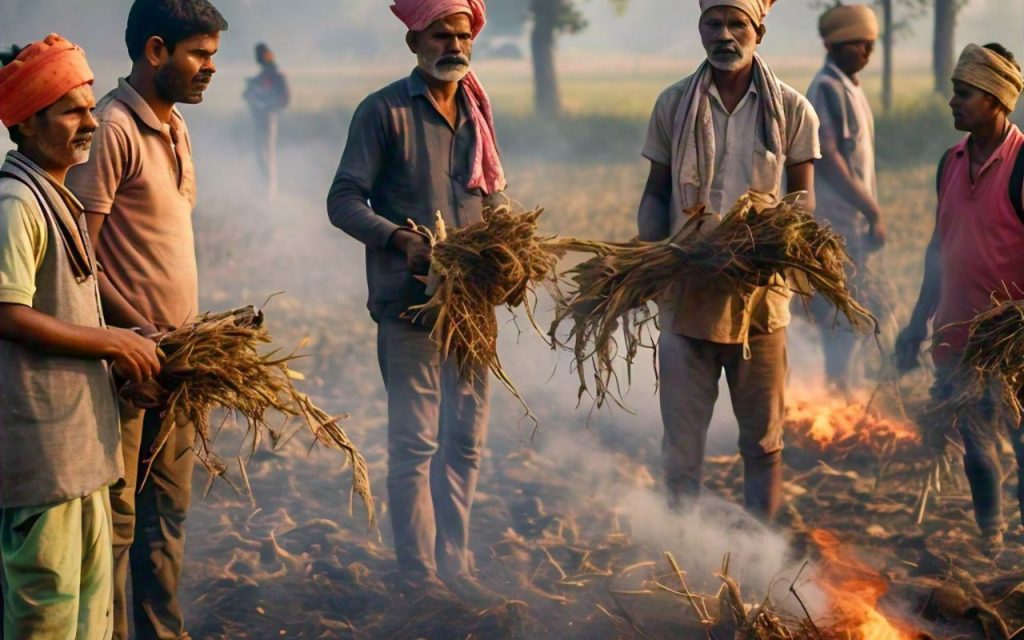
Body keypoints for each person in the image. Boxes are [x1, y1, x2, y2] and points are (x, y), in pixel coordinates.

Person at [327, 0, 506, 608]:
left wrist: (508, 248)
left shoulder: (477, 110)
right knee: (415, 446)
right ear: (414, 42)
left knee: (466, 443)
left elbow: (493, 198)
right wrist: (399, 239)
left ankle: (456, 562)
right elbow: (344, 200)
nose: (455, 45)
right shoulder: (382, 112)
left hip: (473, 310)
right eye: (441, 34)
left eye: (463, 35)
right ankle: (418, 575)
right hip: (410, 309)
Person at [65, 1, 228, 637]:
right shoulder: (112, 128)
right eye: (200, 54)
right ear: (155, 50)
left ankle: (162, 631)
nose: (210, 68)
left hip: (178, 359)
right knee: (119, 517)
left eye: (213, 55)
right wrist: (134, 335)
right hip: (127, 363)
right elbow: (82, 261)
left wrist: (179, 339)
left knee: (169, 511)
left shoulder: (176, 125)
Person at [0, 33, 160, 639]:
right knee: (48, 614)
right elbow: (7, 313)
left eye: (91, 106)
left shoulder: (55, 194)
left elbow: (65, 314)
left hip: (78, 451)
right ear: (27, 122)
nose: (90, 121)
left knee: (89, 616)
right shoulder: (17, 202)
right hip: (42, 461)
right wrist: (116, 343)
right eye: (71, 110)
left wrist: (123, 354)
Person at [637, 0, 820, 521]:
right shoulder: (673, 104)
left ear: (759, 30)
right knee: (682, 442)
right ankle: (681, 545)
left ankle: (760, 547)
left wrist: (771, 238)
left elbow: (803, 198)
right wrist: (650, 254)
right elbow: (655, 193)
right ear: (700, 30)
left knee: (763, 441)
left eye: (737, 23)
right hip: (686, 294)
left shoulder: (793, 108)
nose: (725, 35)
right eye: (713, 24)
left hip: (760, 301)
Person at [895, 43, 1024, 556]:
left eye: (963, 93)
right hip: (956, 333)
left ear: (996, 98)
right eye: (954, 91)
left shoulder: (1021, 166)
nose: (953, 101)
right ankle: (990, 534)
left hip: (1012, 342)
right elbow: (938, 247)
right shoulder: (948, 163)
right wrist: (915, 324)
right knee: (975, 442)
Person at [807, 3, 885, 393]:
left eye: (871, 44)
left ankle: (847, 389)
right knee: (841, 314)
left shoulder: (850, 86)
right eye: (858, 44)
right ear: (833, 44)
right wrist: (871, 210)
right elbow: (828, 155)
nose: (867, 53)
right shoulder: (827, 88)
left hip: (853, 223)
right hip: (836, 224)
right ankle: (839, 394)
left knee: (856, 311)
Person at [243, 42, 288, 199]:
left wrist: (266, 105)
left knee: (265, 153)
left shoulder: (275, 75)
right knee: (261, 151)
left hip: (268, 117)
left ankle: (269, 192)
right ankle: (265, 188)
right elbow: (248, 93)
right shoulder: (263, 76)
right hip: (260, 117)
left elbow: (283, 99)